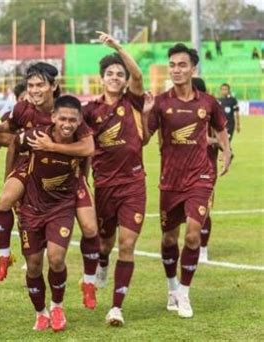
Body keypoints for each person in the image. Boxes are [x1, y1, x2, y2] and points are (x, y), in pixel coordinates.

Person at [0, 62, 100, 310]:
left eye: (40, 85)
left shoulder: (67, 111)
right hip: (31, 169)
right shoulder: (22, 109)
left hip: (68, 175)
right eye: (30, 86)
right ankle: (4, 255)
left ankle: (89, 282)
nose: (34, 91)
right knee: (4, 201)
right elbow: (11, 134)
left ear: (53, 86)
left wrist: (77, 168)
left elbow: (89, 148)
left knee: (91, 228)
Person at [143, 43, 231, 319]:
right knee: (169, 238)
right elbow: (144, 138)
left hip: (200, 178)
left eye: (182, 65)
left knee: (192, 235)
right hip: (170, 181)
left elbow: (221, 128)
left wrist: (226, 153)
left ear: (193, 69)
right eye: (172, 65)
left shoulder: (207, 102)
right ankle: (171, 286)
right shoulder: (160, 102)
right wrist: (146, 113)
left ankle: (184, 292)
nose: (176, 70)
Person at [82, 32, 147, 326]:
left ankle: (116, 308)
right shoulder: (90, 111)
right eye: (110, 73)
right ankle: (103, 265)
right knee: (104, 246)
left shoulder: (133, 101)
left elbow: (138, 73)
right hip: (104, 186)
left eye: (119, 74)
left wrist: (118, 47)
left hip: (133, 185)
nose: (116, 77)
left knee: (127, 245)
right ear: (102, 78)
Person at [16, 95, 94, 332]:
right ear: (53, 118)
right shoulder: (36, 136)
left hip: (61, 206)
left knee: (57, 258)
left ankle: (57, 306)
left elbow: (87, 152)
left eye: (72, 120)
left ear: (79, 120)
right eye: (63, 119)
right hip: (32, 206)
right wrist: (11, 178)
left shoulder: (80, 140)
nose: (67, 124)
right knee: (33, 265)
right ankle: (40, 313)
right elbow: (13, 144)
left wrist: (54, 148)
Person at [191, 77, 218, 262]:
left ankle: (203, 248)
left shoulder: (212, 112)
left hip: (207, 165)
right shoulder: (184, 111)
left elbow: (223, 140)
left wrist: (210, 141)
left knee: (204, 208)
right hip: (184, 167)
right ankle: (191, 243)